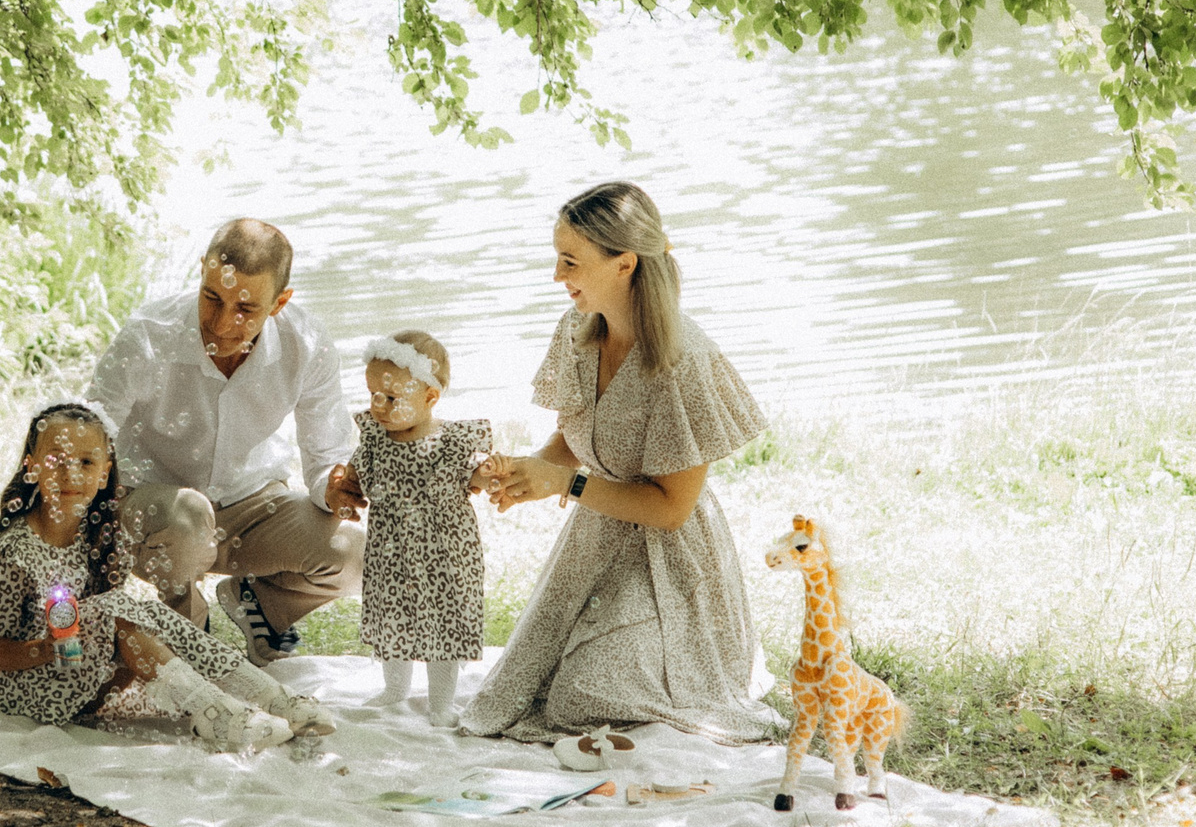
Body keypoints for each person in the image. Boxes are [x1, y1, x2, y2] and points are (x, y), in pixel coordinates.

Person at [461, 182, 783, 746]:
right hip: (594, 542)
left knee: (584, 696)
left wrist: (566, 482)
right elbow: (575, 433)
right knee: (538, 692)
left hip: (675, 562)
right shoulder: (576, 331)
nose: (558, 276)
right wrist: (526, 473)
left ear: (624, 265)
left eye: (569, 262)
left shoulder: (683, 360)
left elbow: (672, 509)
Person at [0, 401, 336, 751]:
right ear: (31, 466)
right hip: (22, 683)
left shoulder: (97, 536)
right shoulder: (12, 554)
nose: (71, 473)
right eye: (56, 459)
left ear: (106, 471)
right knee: (116, 609)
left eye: (87, 463)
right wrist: (48, 648)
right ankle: (217, 716)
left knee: (142, 613)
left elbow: (109, 631)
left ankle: (269, 697)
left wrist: (105, 653)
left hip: (76, 671)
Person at [90, 218, 365, 663]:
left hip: (251, 506)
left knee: (354, 550)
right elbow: (91, 434)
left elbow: (326, 456)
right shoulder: (146, 335)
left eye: (245, 309)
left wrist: (331, 486)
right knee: (188, 517)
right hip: (152, 512)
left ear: (280, 303)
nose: (220, 324)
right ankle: (191, 643)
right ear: (201, 272)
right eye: (212, 297)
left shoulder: (307, 344)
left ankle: (262, 607)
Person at [347, 330, 492, 728]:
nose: (379, 405)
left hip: (444, 554)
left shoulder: (452, 443)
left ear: (430, 397)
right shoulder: (375, 437)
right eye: (373, 394)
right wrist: (343, 485)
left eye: (392, 398)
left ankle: (441, 702)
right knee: (392, 616)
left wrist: (487, 474)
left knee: (444, 624)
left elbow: (476, 474)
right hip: (390, 554)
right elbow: (356, 473)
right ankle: (395, 689)